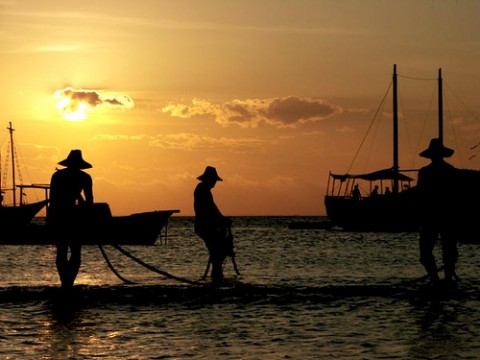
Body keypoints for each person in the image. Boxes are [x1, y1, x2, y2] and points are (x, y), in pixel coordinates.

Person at [47, 149, 94, 289]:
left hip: (63, 217)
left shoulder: (58, 176)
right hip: (69, 218)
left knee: (65, 251)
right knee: (72, 251)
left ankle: (66, 283)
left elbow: (53, 200)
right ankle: (67, 283)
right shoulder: (84, 177)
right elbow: (89, 202)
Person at [417, 138, 458, 286]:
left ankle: (436, 279)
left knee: (428, 252)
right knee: (448, 250)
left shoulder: (425, 172)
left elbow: (420, 195)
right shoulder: (450, 171)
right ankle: (443, 279)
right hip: (445, 215)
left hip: (432, 215)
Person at [194, 166, 233, 283]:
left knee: (216, 251)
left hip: (206, 226)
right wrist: (222, 219)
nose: (215, 183)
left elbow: (213, 209)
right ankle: (216, 277)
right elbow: (210, 209)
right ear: (209, 179)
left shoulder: (204, 189)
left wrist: (222, 219)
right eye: (214, 180)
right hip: (204, 226)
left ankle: (216, 277)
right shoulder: (202, 190)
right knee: (217, 251)